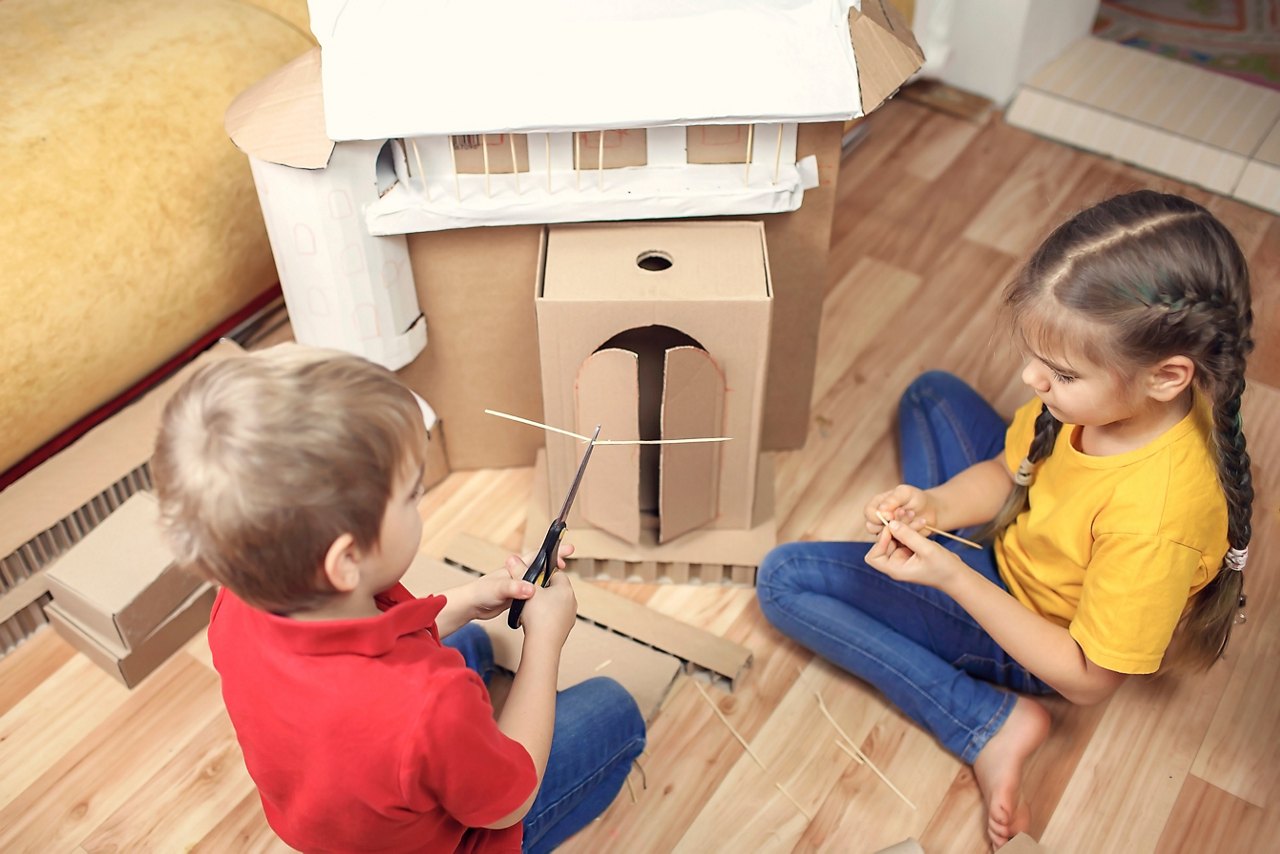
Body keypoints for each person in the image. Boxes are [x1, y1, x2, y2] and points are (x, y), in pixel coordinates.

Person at [757, 190, 1253, 848]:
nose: (1029, 378)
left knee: (784, 581)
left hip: (1035, 636)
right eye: (1036, 358)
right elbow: (1008, 472)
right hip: (1026, 538)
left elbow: (1086, 679)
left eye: (1059, 373)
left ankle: (989, 722)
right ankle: (953, 554)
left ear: (1166, 375)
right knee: (931, 393)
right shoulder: (1123, 400)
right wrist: (936, 507)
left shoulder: (1157, 518)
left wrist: (955, 581)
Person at [151, 343, 645, 854]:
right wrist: (544, 641)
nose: (421, 500)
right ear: (346, 561)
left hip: (349, 818)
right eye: (411, 494)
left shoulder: (237, 606)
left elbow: (384, 638)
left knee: (470, 640)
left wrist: (473, 596)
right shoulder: (428, 704)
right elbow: (511, 803)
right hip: (461, 835)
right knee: (617, 711)